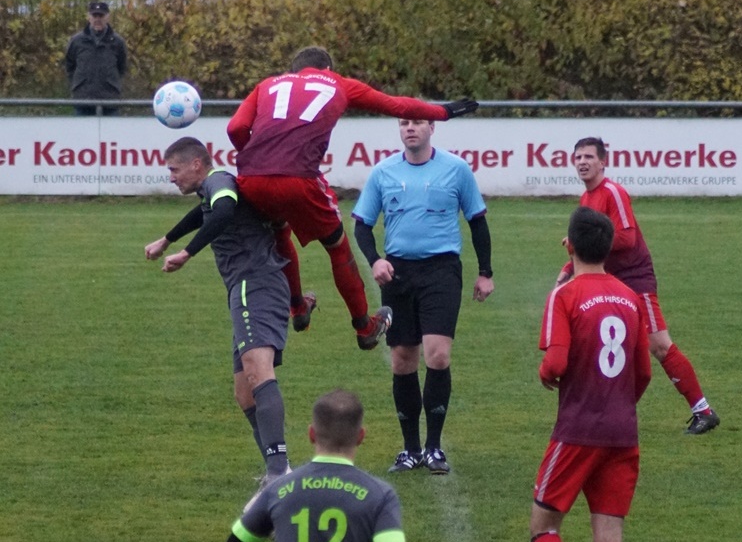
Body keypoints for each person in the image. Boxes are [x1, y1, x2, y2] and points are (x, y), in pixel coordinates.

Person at [227, 45, 479, 350]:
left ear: (293, 71)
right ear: (328, 70)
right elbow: (396, 105)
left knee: (280, 228)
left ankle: (297, 306)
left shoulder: (267, 84)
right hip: (299, 178)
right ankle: (364, 326)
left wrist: (254, 156)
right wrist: (444, 112)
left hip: (251, 179)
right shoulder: (339, 84)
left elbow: (236, 127)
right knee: (337, 247)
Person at [144, 137, 293, 490]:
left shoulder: (220, 180)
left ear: (197, 164)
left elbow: (223, 210)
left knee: (259, 373)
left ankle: (279, 472)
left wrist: (187, 253)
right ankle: (279, 468)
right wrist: (166, 239)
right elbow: (206, 211)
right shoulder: (213, 188)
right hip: (246, 289)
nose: (171, 177)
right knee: (244, 392)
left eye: (174, 169)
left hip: (254, 284)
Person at [351, 118, 494, 474]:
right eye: (404, 122)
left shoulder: (456, 169)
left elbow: (477, 220)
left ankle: (434, 447)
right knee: (402, 359)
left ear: (432, 128)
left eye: (417, 122)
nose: (410, 128)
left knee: (439, 355)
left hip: (441, 271)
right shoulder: (383, 172)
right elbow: (361, 224)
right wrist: (375, 261)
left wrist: (485, 272)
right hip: (398, 272)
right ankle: (410, 449)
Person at [555, 137, 720, 435]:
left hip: (634, 278)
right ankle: (603, 411)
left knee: (658, 345)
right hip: (608, 280)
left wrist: (579, 244)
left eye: (589, 156)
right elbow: (589, 245)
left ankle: (704, 411)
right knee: (608, 343)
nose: (582, 161)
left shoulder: (613, 193)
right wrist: (570, 266)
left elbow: (627, 238)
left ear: (603, 162)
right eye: (577, 156)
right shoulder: (586, 198)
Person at [531, 206, 652, 542]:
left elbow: (555, 363)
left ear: (569, 246)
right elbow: (643, 373)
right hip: (623, 432)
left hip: (577, 429)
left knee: (544, 527)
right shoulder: (630, 298)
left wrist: (545, 372)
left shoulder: (565, 295)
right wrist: (617, 403)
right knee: (609, 531)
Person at [228, 389, 406, 542]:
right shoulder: (381, 495)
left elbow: (238, 537)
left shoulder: (278, 489)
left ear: (311, 434)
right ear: (360, 436)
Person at [65, 0, 127, 116]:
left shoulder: (118, 42)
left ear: (107, 17)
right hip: (83, 101)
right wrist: (79, 84)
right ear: (89, 17)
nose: (98, 19)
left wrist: (111, 83)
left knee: (112, 134)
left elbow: (122, 67)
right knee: (82, 134)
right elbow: (70, 65)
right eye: (95, 15)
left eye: (101, 15)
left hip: (110, 101)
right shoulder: (77, 41)